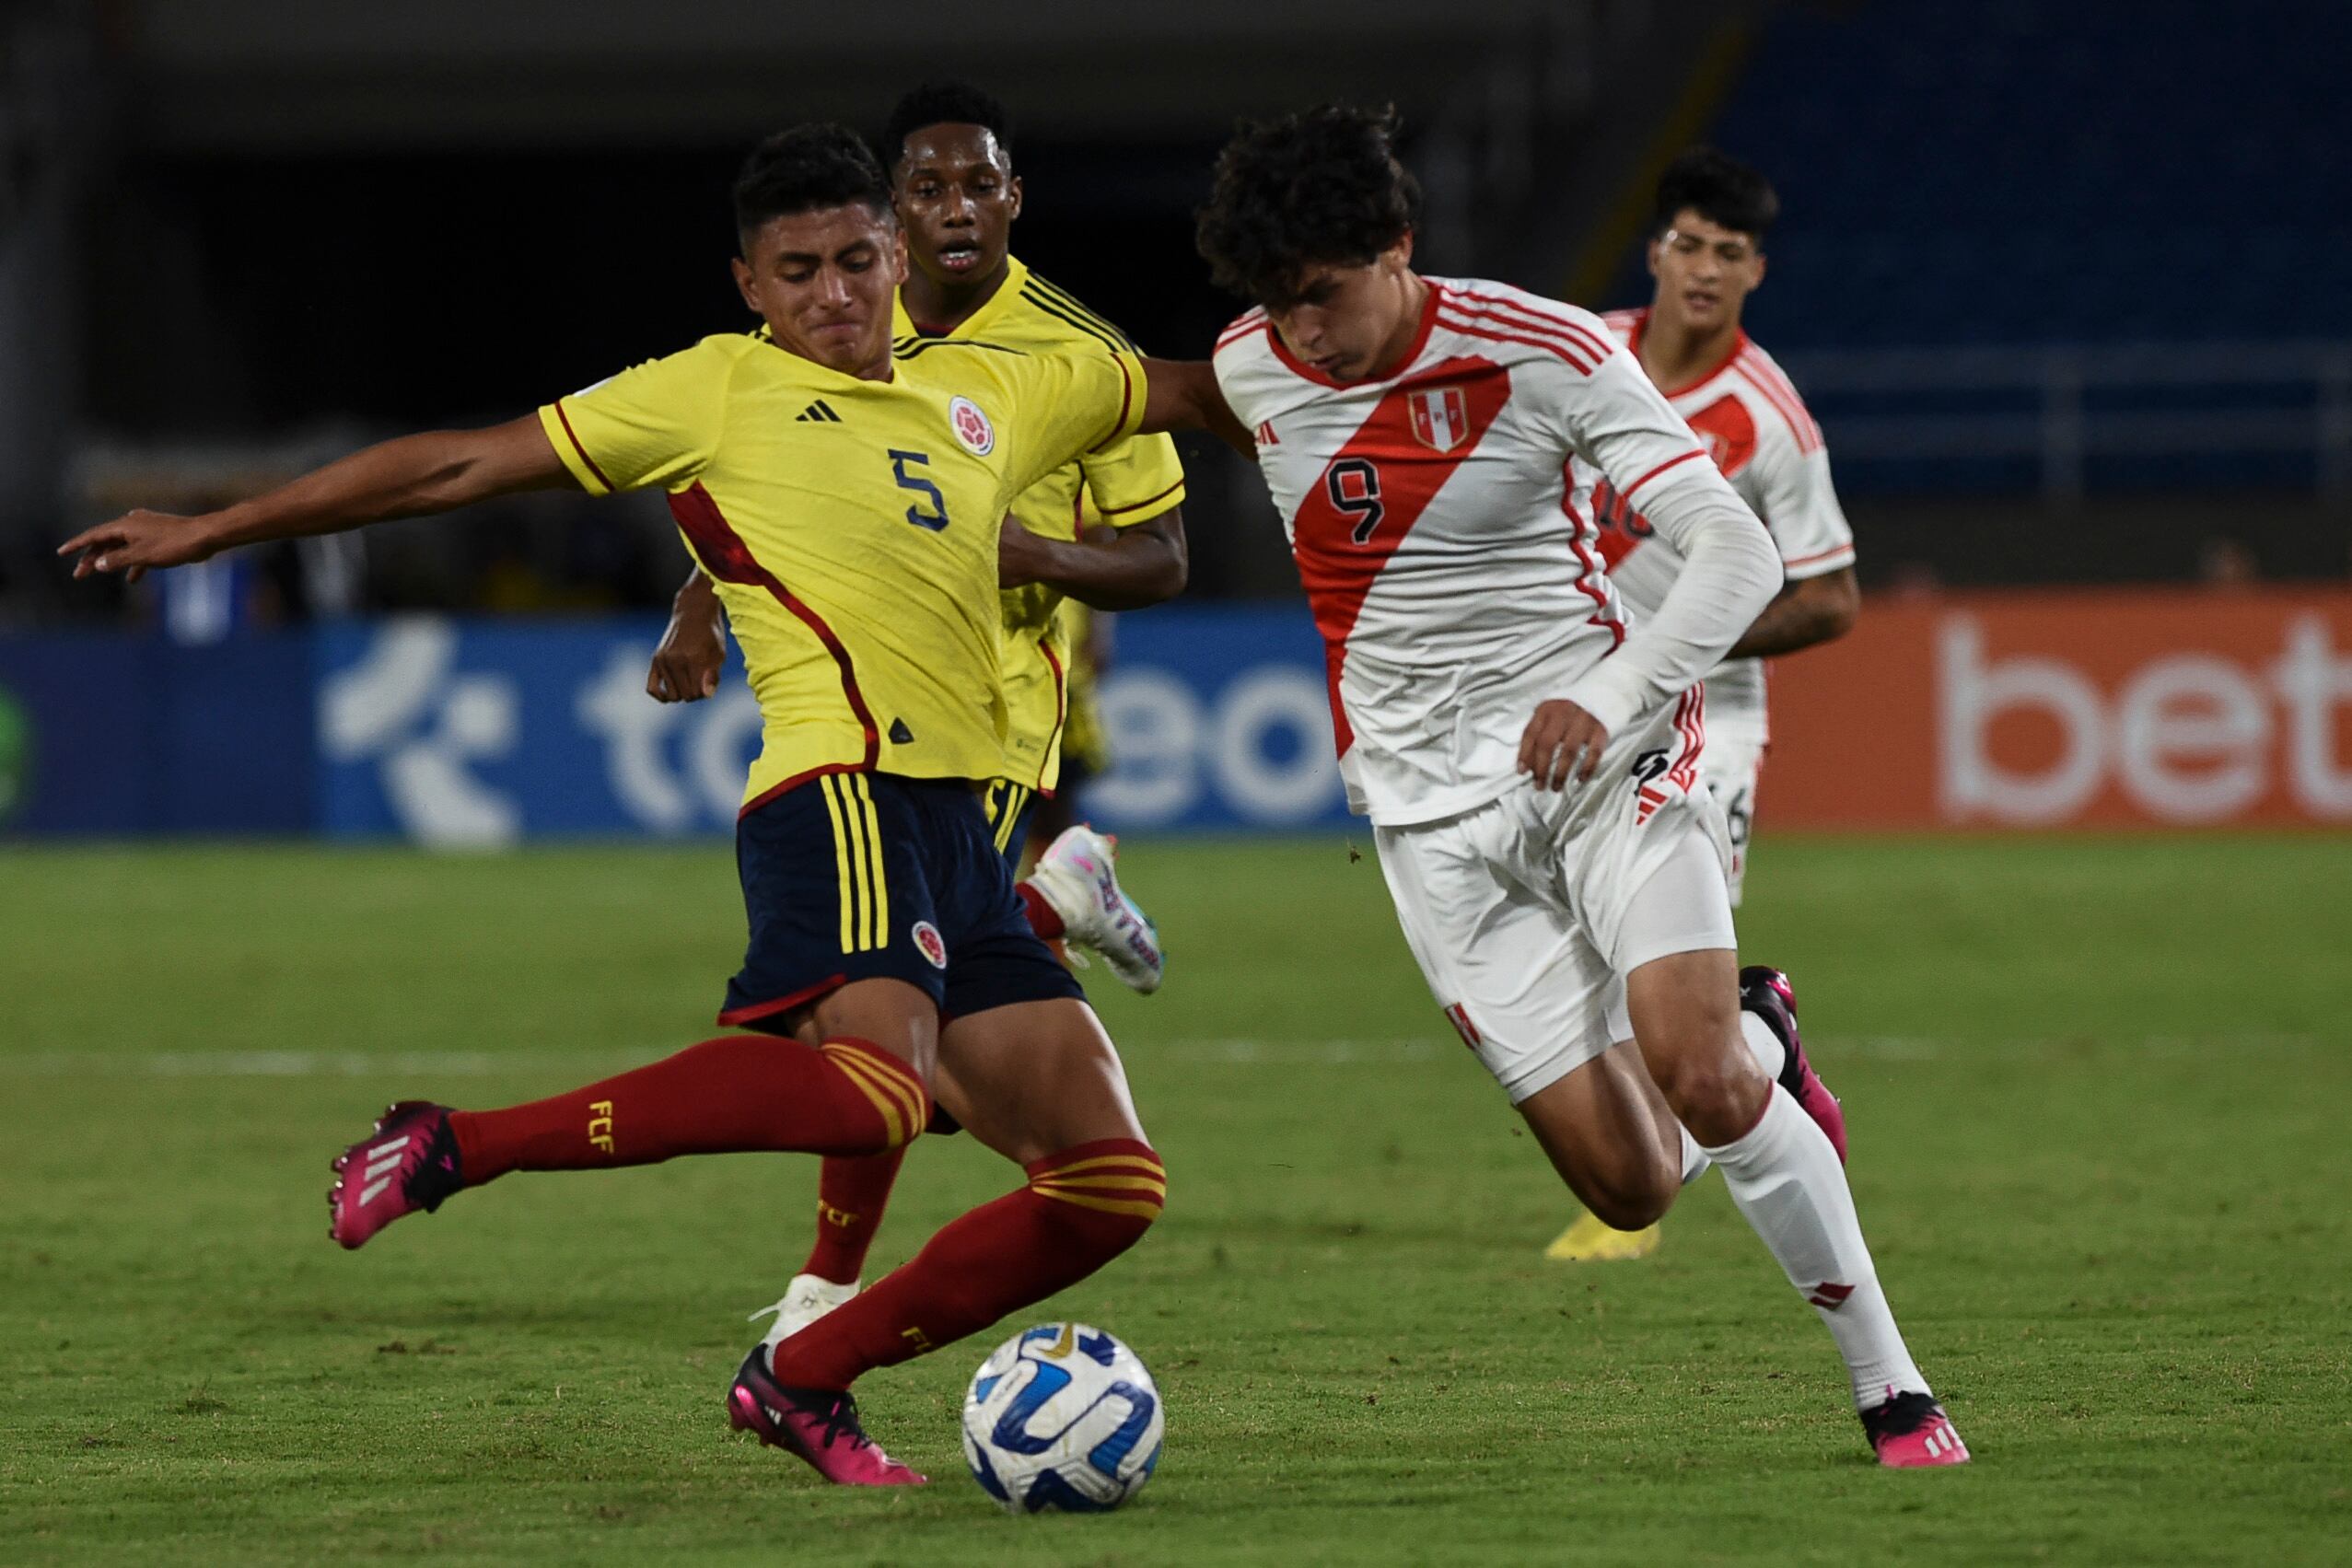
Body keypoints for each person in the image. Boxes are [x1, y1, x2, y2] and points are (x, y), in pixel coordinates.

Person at [60, 122, 1240, 1487]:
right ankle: (456, 1143)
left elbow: (1194, 391)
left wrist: (1381, 361)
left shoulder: (1000, 395)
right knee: (873, 1097)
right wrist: (216, 527)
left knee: (1107, 1182)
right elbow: (456, 464)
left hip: (963, 825)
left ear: (894, 255)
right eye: (796, 271)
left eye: (857, 261)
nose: (833, 296)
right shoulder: (713, 391)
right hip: (839, 787)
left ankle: (802, 1374)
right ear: (749, 282)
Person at [1191, 104, 1963, 1468]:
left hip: (1605, 760)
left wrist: (1604, 694)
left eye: (1321, 294)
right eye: (1275, 302)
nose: (1302, 331)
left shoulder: (1541, 345)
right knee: (1626, 1179)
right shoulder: (1255, 365)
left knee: (1700, 1081)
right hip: (1427, 823)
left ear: (1395, 246)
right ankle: (1766, 1031)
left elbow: (1730, 553)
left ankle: (1891, 1388)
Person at [643, 81, 1188, 1358]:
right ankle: (1056, 902)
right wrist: (697, 608)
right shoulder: (841, 326)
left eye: (973, 186)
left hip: (995, 714)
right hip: (880, 699)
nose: (951, 210)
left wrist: (1022, 553)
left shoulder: (1069, 349)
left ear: (1011, 197)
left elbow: (1158, 555)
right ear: (893, 214)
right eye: (924, 190)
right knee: (901, 1005)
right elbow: (777, 485)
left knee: (896, 1008)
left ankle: (826, 1286)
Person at [1547, 147, 1862, 1265]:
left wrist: (1684, 643)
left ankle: (1646, 1184)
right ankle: (1759, 1031)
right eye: (1689, 243)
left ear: (1754, 273)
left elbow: (1830, 599)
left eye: (1728, 254)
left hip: (1708, 721)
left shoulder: (1766, 414)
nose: (1705, 268)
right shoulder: (1582, 353)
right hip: (1582, 705)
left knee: (1659, 966)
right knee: (1575, 953)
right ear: (1656, 251)